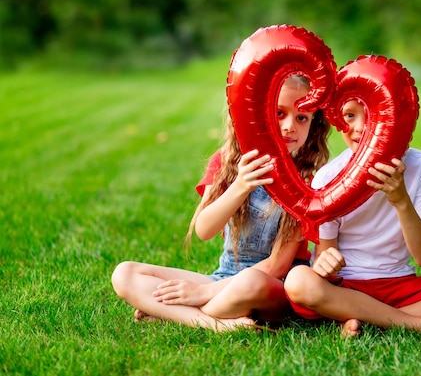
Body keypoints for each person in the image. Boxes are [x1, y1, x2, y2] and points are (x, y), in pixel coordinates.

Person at [111, 74, 331, 331]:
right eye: (279, 113)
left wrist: (203, 292)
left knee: (250, 282)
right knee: (124, 273)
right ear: (256, 113)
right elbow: (205, 230)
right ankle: (211, 322)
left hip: (274, 286)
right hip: (225, 277)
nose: (290, 126)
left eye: (301, 117)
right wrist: (240, 185)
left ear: (313, 125)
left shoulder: (307, 182)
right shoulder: (226, 162)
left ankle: (175, 314)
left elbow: (277, 265)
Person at [284, 99, 421, 342]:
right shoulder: (327, 177)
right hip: (348, 288)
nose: (359, 127)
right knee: (299, 281)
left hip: (399, 284)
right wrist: (324, 264)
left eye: (372, 115)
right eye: (349, 116)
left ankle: (363, 320)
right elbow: (326, 259)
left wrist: (401, 200)